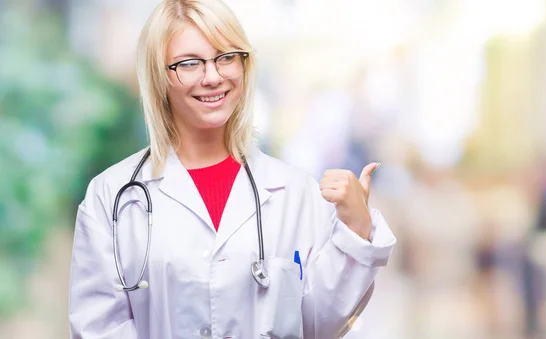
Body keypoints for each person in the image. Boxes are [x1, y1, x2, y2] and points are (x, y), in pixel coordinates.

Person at [67, 0, 396, 338]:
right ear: (158, 76)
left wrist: (357, 227)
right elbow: (99, 328)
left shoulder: (296, 193)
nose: (212, 77)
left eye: (225, 57)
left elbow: (316, 325)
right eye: (190, 63)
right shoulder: (112, 197)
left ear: (244, 65)